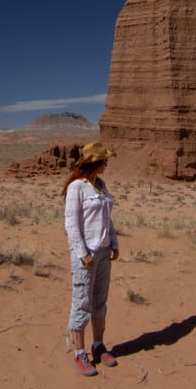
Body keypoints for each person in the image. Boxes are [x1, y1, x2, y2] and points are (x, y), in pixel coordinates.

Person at [63, 141, 119, 376]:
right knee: (82, 303)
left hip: (104, 253)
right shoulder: (77, 187)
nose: (107, 163)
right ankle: (79, 352)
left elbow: (107, 218)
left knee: (99, 302)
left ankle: (98, 346)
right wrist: (83, 253)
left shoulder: (101, 185)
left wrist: (114, 242)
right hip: (87, 255)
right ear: (95, 162)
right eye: (104, 160)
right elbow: (71, 224)